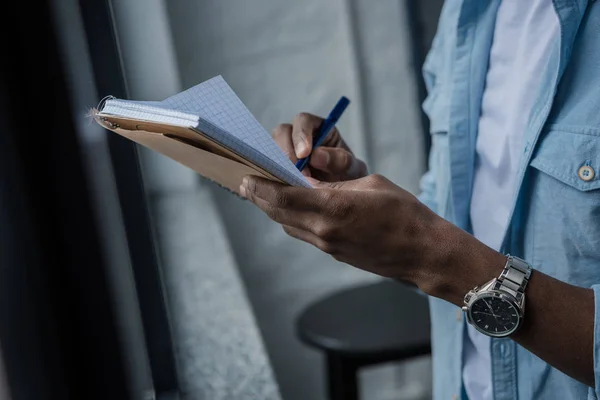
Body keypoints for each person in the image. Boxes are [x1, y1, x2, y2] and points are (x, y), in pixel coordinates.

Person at [239, 0, 600, 399]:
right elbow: (461, 221)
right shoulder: (468, 13)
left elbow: (441, 254)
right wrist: (359, 197)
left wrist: (430, 254)